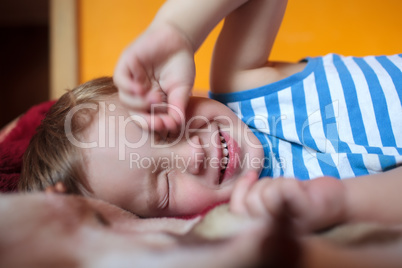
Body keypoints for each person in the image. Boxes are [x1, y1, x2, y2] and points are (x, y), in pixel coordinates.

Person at [19, 0, 402, 231]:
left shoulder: (244, 83)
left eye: (167, 128)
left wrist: (178, 29)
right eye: (165, 186)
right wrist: (341, 205)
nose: (192, 154)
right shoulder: (269, 216)